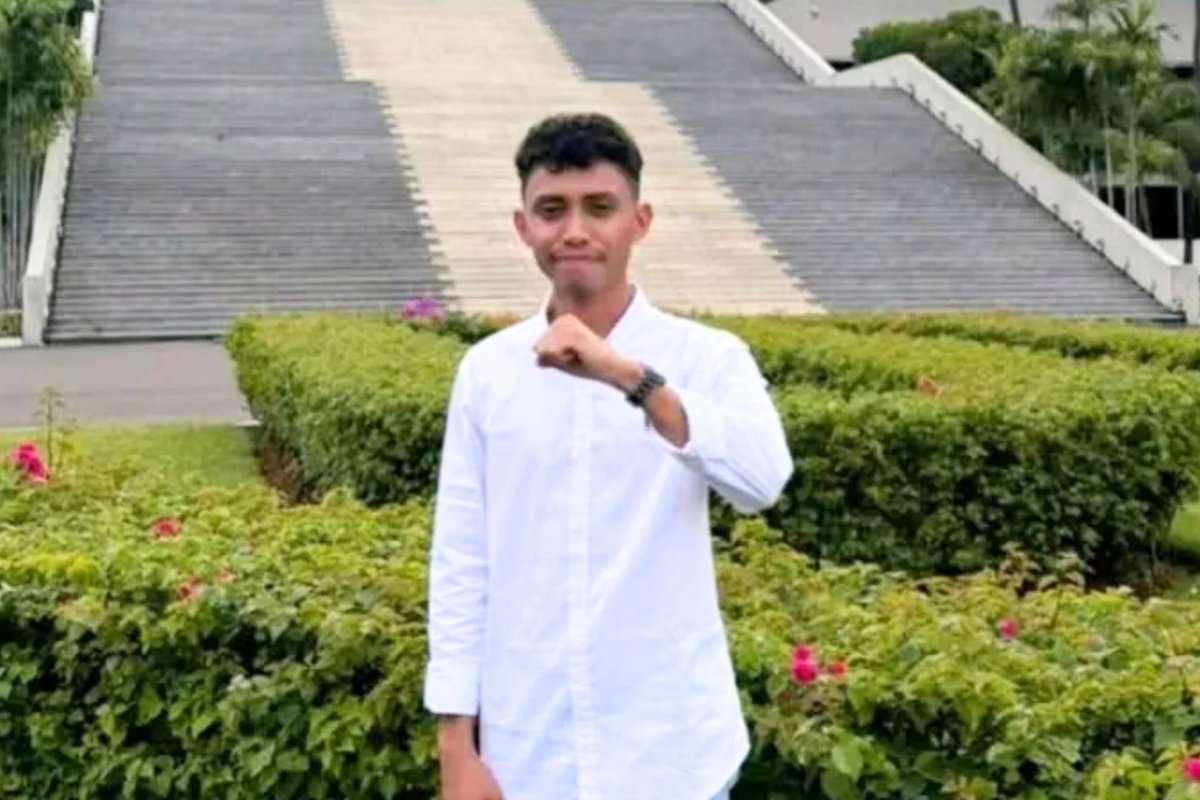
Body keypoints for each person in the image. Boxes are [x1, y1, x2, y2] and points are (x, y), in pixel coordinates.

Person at [422, 112, 794, 800]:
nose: (575, 231)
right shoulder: (488, 371)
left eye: (599, 208)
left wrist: (629, 377)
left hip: (670, 749)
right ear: (522, 226)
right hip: (528, 745)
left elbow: (762, 479)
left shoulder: (707, 357)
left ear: (639, 220)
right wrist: (455, 744)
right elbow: (461, 558)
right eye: (552, 210)